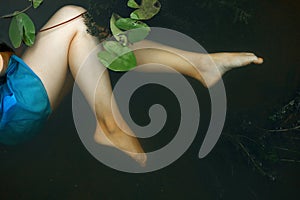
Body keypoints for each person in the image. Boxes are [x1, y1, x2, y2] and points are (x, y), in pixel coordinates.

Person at [0, 5, 263, 166]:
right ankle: (109, 123)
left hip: (17, 117)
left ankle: (200, 66)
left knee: (92, 41)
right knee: (76, 19)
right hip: (16, 108)